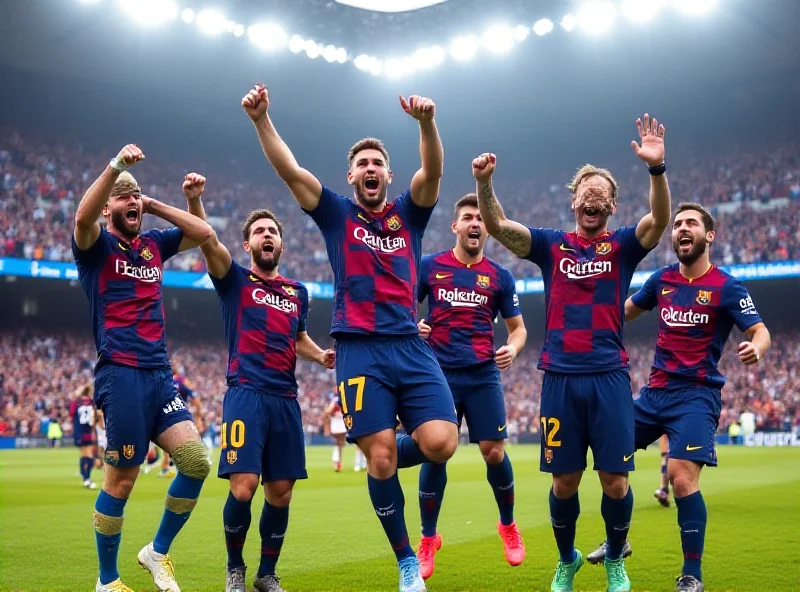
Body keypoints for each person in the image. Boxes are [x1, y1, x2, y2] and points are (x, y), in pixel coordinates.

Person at [242, 84, 458, 592]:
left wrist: (426, 123)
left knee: (441, 443)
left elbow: (434, 172)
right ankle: (406, 560)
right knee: (381, 458)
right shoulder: (337, 213)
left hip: (409, 344)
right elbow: (290, 170)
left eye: (376, 162)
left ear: (387, 173)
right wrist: (262, 120)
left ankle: (378, 435)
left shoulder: (411, 212)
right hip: (358, 347)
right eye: (361, 162)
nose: (369, 169)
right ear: (351, 176)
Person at [474, 114, 672, 592]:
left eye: (602, 194)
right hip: (559, 378)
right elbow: (498, 225)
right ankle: (567, 559)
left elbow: (659, 220)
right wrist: (484, 182)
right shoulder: (550, 245)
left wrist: (657, 169)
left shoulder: (623, 246)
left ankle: (615, 562)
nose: (593, 199)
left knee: (615, 483)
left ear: (611, 206)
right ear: (574, 201)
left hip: (608, 377)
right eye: (586, 192)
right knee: (564, 482)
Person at [587, 203, 771, 592]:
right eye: (677, 225)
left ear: (709, 235)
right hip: (654, 393)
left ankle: (692, 576)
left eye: (690, 223)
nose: (681, 229)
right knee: (609, 461)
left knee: (681, 477)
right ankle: (618, 544)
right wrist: (592, 315)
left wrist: (757, 346)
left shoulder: (727, 286)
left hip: (697, 395)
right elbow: (625, 311)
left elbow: (760, 330)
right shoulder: (662, 279)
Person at [72, 145, 215, 592]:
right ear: (108, 206)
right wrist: (115, 169)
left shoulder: (153, 243)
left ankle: (156, 552)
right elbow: (81, 219)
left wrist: (158, 201)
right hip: (121, 372)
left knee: (194, 461)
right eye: (123, 197)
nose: (131, 202)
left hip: (159, 372)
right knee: (122, 478)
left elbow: (204, 232)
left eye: (135, 197)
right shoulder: (95, 246)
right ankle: (107, 580)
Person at [185, 189, 334, 592]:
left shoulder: (297, 293)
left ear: (281, 243)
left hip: (286, 399)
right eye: (259, 231)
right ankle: (235, 567)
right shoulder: (234, 279)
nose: (267, 236)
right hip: (246, 393)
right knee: (244, 485)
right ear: (247, 243)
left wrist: (320, 356)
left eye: (273, 231)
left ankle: (266, 574)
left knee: (281, 492)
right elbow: (204, 238)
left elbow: (298, 338)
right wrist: (196, 201)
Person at [414, 193, 528, 579]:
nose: (475, 223)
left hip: (482, 374)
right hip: (438, 375)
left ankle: (508, 525)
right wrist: (413, 326)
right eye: (468, 217)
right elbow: (399, 306)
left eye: (480, 218)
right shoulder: (430, 267)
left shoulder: (500, 276)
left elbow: (519, 329)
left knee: (494, 452)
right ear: (456, 226)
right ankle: (429, 537)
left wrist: (512, 348)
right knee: (435, 453)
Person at [71, 384, 98, 489]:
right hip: (88, 431)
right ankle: (87, 479)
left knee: (83, 453)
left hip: (79, 432)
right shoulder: (92, 403)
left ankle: (84, 476)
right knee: (89, 454)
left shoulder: (76, 403)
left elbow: (71, 414)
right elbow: (95, 417)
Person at [325, 394, 348, 472]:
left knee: (338, 445)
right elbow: (328, 412)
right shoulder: (339, 402)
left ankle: (337, 462)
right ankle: (337, 462)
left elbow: (328, 412)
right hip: (340, 427)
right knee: (339, 445)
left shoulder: (335, 402)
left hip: (338, 427)